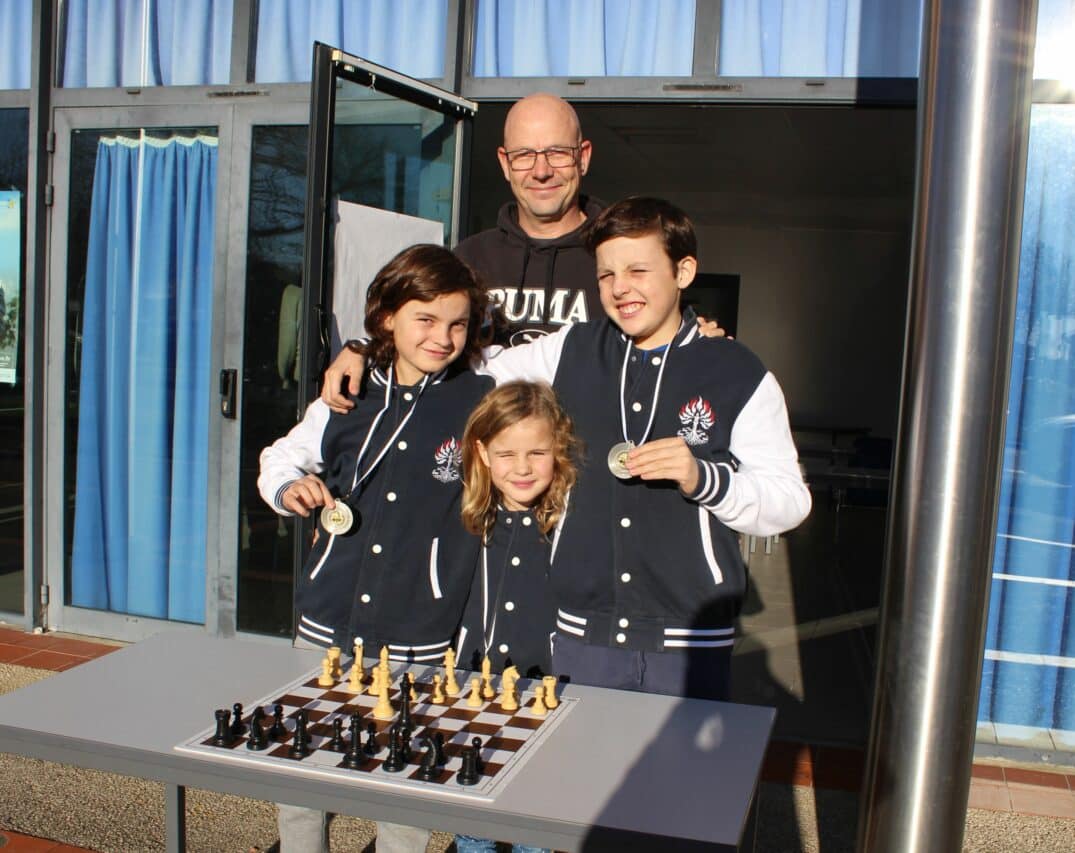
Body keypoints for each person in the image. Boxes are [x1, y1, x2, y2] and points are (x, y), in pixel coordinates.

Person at [475, 197, 812, 701]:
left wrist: (704, 478)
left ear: (684, 271)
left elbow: (790, 501)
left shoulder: (736, 370)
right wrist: (372, 354)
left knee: (679, 781)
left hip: (689, 642)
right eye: (606, 274)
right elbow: (472, 374)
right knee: (580, 779)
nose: (620, 289)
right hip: (581, 634)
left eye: (638, 270)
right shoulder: (573, 347)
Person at [257, 244, 494, 853]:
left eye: (457, 323)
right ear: (387, 316)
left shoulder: (483, 394)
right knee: (303, 761)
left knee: (406, 777)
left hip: (422, 623)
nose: (442, 336)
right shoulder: (345, 396)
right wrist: (291, 489)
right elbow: (278, 459)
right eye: (425, 318)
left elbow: (566, 356)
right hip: (327, 616)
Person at [452, 381, 579, 853]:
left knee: (534, 829)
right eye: (507, 454)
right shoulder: (468, 517)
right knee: (474, 827)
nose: (522, 468)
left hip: (547, 696)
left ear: (558, 451)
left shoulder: (570, 521)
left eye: (537, 453)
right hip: (474, 694)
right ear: (482, 453)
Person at [455, 92, 603, 344]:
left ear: (583, 158)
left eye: (557, 152)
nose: (541, 172)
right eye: (524, 155)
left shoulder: (619, 256)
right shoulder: (468, 260)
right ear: (505, 163)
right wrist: (362, 352)